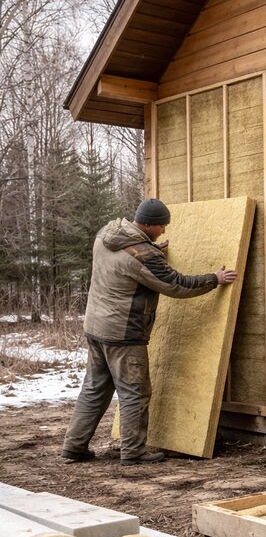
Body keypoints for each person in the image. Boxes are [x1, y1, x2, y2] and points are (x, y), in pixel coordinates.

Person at [62, 198, 237, 466]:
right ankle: (133, 451)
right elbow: (176, 285)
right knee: (134, 392)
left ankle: (73, 448)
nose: (164, 231)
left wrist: (152, 248)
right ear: (147, 225)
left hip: (96, 328)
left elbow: (130, 262)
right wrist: (214, 279)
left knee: (94, 388)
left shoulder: (106, 235)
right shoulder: (142, 255)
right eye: (161, 227)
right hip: (123, 334)